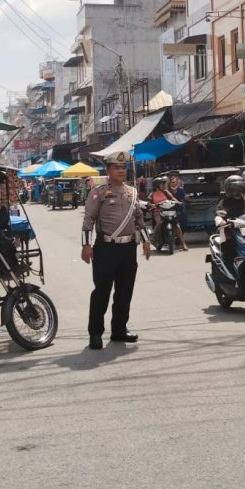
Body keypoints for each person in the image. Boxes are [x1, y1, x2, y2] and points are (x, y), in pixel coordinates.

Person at [81, 150, 150, 350]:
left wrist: (145, 242)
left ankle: (119, 329)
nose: (121, 171)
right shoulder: (99, 192)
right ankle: (95, 333)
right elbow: (88, 220)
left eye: (123, 167)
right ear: (108, 170)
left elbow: (138, 218)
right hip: (106, 249)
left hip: (128, 248)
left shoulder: (132, 192)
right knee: (101, 291)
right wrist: (86, 245)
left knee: (124, 291)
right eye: (116, 167)